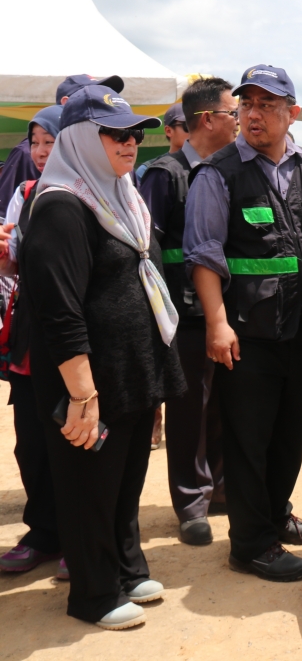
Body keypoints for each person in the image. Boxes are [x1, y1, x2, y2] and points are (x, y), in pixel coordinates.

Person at [20, 85, 185, 630]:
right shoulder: (62, 206)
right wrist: (82, 394)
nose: (132, 142)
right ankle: (93, 592)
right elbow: (59, 311)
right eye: (116, 133)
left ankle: (124, 568)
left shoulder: (121, 196)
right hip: (88, 378)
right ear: (81, 140)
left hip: (130, 371)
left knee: (124, 478)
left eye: (137, 133)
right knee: (88, 482)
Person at [186, 64, 302, 582]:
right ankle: (249, 544)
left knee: (288, 435)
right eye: (247, 104)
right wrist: (217, 324)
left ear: (291, 113)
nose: (254, 114)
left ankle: (273, 516)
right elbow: (204, 256)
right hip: (247, 332)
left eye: (268, 105)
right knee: (249, 441)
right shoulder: (217, 173)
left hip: (301, 329)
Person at [139, 77, 238, 546]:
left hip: (223, 312)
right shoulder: (166, 173)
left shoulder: (230, 171)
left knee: (223, 402)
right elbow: (149, 251)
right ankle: (191, 501)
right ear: (207, 120)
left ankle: (220, 488)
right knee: (187, 408)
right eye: (232, 113)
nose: (239, 121)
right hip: (181, 314)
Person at [0, 105, 64, 578]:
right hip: (29, 336)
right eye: (35, 143)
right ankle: (42, 531)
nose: (40, 152)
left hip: (75, 338)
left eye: (50, 142)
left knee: (75, 439)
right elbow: (14, 270)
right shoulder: (24, 194)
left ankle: (78, 535)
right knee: (31, 443)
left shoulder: (99, 192)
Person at [0, 75, 123, 215]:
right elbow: (7, 220)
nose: (105, 104)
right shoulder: (26, 154)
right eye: (93, 99)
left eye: (106, 96)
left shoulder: (117, 154)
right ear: (66, 104)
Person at [135, 103, 188, 185]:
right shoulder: (147, 170)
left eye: (197, 125)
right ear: (168, 131)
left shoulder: (207, 167)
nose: (194, 131)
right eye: (187, 126)